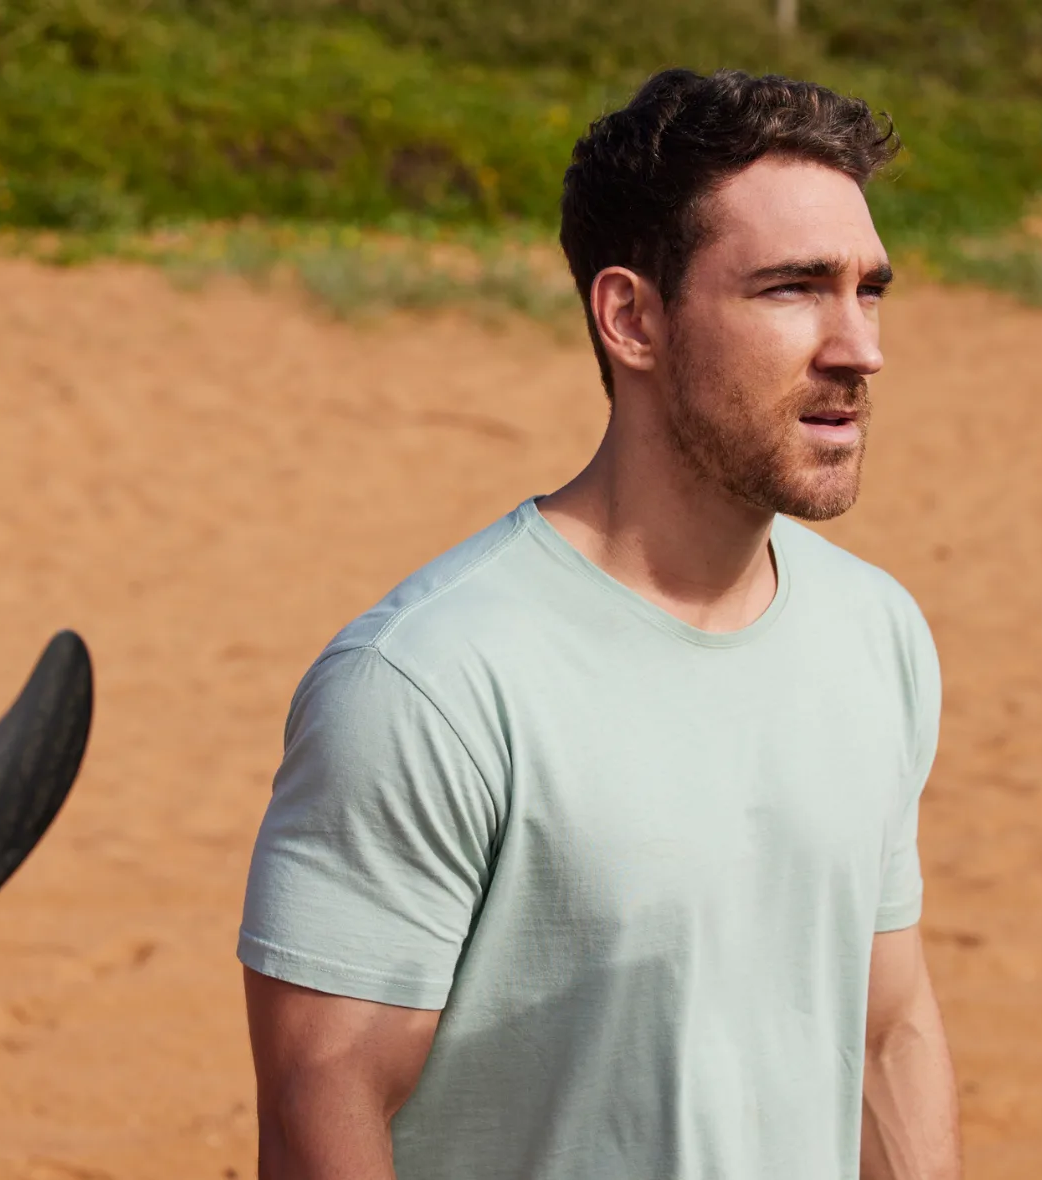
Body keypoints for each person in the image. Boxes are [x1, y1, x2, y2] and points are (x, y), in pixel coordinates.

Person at [238, 67, 960, 1180]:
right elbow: (318, 1104)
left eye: (870, 290)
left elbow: (886, 1033)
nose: (858, 347)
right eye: (794, 290)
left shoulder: (877, 633)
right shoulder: (429, 682)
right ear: (632, 318)